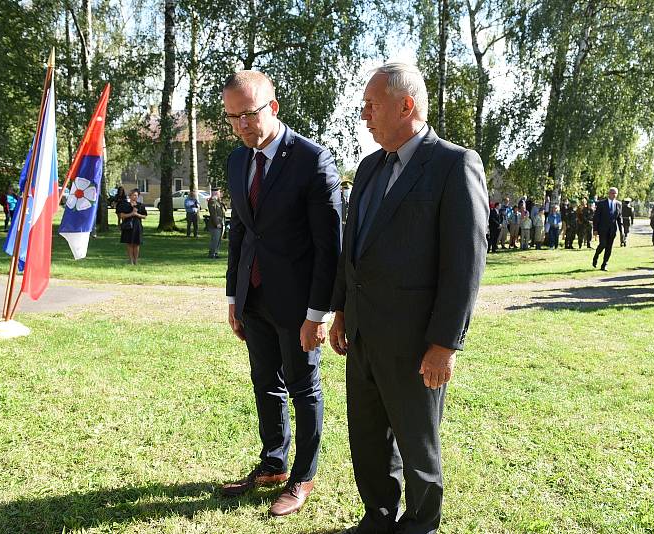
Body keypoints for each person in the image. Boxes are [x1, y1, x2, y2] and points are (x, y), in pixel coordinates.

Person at [329, 63, 488, 534]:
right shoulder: (369, 166)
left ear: (406, 105)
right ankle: (378, 517)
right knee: (368, 440)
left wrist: (445, 343)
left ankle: (420, 525)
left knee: (418, 446)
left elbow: (465, 263)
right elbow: (351, 248)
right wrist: (341, 311)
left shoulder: (453, 164)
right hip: (361, 335)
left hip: (417, 342)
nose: (364, 116)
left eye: (371, 106)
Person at [218, 70, 342, 517]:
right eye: (232, 118)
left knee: (303, 387)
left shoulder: (313, 160)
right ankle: (272, 463)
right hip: (254, 298)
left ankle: (302, 477)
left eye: (248, 114)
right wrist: (234, 298)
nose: (241, 125)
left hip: (299, 305)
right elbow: (241, 235)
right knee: (265, 384)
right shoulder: (237, 161)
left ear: (272, 107)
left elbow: (330, 248)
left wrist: (318, 313)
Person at [592, 187, 623, 271]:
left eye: (615, 193)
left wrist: (621, 231)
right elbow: (596, 217)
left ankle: (604, 264)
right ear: (609, 194)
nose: (614, 195)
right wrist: (595, 229)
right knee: (603, 244)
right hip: (602, 229)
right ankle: (596, 256)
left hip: (612, 230)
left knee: (609, 247)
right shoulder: (601, 203)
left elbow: (619, 218)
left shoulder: (618, 204)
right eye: (612, 193)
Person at [117, 188, 147, 264]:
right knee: (129, 243)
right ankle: (130, 260)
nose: (135, 197)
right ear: (130, 196)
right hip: (128, 226)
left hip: (137, 226)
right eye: (133, 195)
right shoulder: (125, 205)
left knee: (136, 244)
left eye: (136, 195)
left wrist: (137, 214)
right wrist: (131, 214)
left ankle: (136, 260)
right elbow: (121, 215)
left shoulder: (140, 205)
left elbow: (144, 216)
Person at [207, 187, 226, 258]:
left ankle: (215, 253)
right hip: (215, 224)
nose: (220, 193)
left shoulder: (218, 201)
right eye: (219, 192)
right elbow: (213, 213)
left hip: (221, 223)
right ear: (216, 192)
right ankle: (212, 254)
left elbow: (224, 210)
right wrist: (217, 223)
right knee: (215, 239)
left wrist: (222, 203)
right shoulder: (212, 201)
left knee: (218, 240)